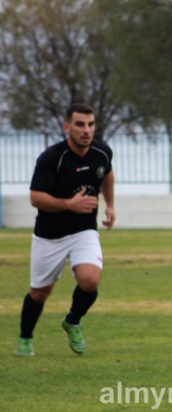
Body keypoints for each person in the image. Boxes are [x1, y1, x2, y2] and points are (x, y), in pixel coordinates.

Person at [16, 103, 115, 356]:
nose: (86, 130)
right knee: (40, 292)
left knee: (90, 280)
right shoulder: (52, 158)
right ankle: (25, 338)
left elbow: (107, 175)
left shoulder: (102, 152)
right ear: (67, 127)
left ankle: (72, 321)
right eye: (80, 124)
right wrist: (69, 204)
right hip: (50, 235)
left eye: (90, 124)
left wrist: (110, 205)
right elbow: (36, 198)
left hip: (84, 230)